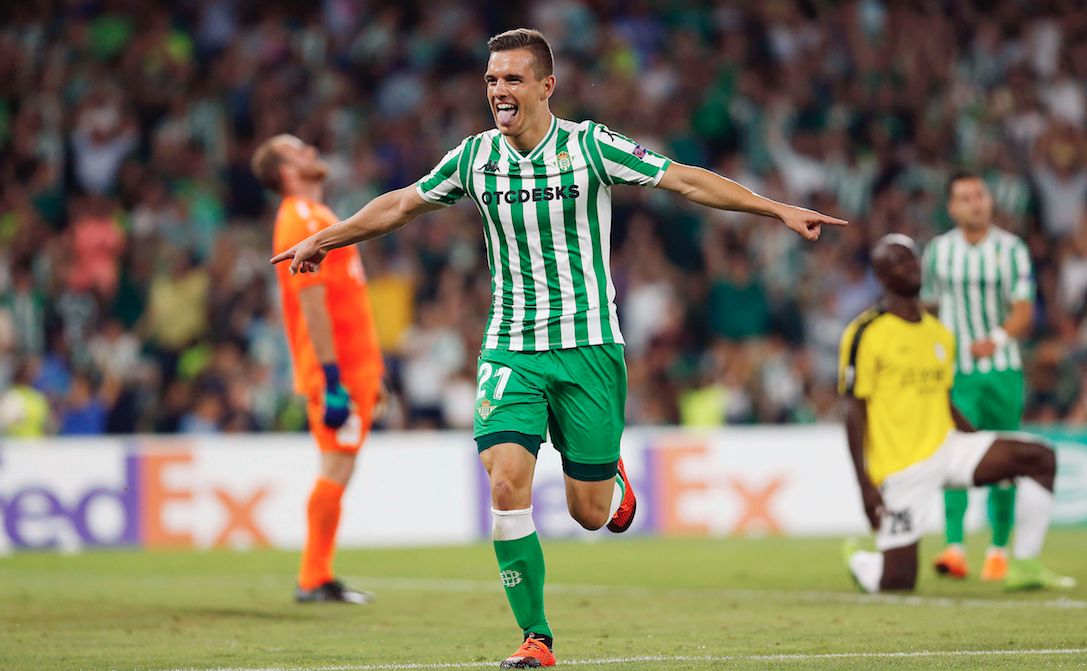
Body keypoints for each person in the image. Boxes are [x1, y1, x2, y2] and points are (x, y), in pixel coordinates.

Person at [272, 29, 845, 668]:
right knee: (505, 482)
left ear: (547, 86)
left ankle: (606, 471)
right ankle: (536, 637)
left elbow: (683, 180)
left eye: (512, 79)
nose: (499, 91)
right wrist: (327, 239)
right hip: (510, 348)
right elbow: (402, 204)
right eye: (491, 80)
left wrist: (776, 210)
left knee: (591, 514)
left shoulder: (590, 147)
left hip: (589, 347)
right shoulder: (474, 158)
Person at [839, 234, 1073, 593]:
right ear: (882, 276)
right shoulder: (865, 332)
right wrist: (865, 486)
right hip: (902, 467)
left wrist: (980, 442)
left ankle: (1025, 564)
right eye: (899, 261)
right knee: (898, 583)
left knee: (1039, 457)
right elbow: (853, 410)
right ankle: (863, 561)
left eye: (913, 258)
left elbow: (943, 400)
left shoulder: (938, 333)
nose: (911, 266)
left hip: (949, 447)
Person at [251, 134, 385, 604]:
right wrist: (331, 380)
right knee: (336, 464)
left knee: (340, 466)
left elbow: (347, 302)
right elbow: (313, 303)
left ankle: (317, 575)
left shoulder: (318, 215)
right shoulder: (299, 219)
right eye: (297, 150)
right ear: (286, 172)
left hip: (354, 366)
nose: (311, 150)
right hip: (337, 370)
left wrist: (373, 373)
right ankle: (313, 577)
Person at [922, 172, 1033, 582]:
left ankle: (998, 550)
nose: (975, 203)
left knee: (1004, 459)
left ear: (989, 200)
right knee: (954, 455)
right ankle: (954, 548)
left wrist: (996, 339)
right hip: (956, 374)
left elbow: (1024, 309)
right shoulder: (938, 251)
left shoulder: (1011, 249)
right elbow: (929, 308)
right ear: (952, 207)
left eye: (980, 195)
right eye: (965, 197)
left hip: (1002, 371)